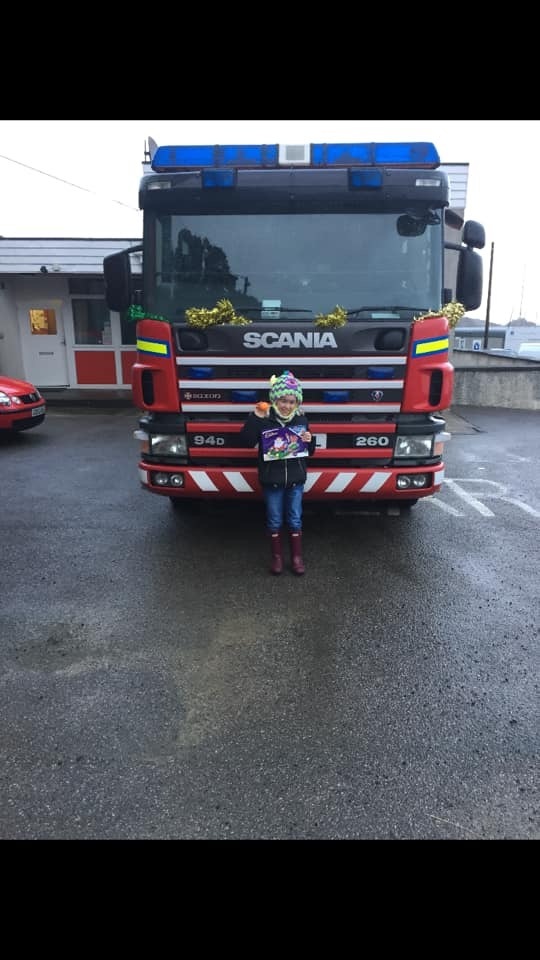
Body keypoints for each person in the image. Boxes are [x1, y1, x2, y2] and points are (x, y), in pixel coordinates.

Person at [238, 370, 316, 575]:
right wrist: (255, 417)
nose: (287, 405)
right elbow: (246, 441)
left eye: (291, 401)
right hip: (271, 480)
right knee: (274, 520)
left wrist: (310, 440)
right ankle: (277, 559)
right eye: (282, 400)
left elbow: (310, 451)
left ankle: (297, 558)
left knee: (295, 519)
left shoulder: (301, 421)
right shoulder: (264, 419)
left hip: (295, 482)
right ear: (274, 400)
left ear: (297, 403)